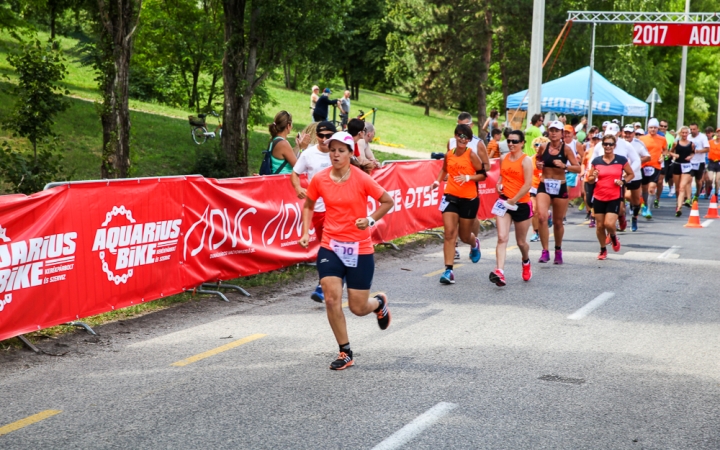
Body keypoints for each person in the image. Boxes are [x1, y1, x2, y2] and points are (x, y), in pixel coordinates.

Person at [299, 131, 394, 371]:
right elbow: (308, 204)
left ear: (351, 154)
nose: (336, 154)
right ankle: (345, 352)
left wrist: (370, 220)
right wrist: (305, 231)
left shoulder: (361, 178)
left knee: (358, 308)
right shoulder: (320, 179)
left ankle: (379, 303)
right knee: (331, 299)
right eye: (332, 150)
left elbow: (387, 201)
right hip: (331, 245)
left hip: (359, 248)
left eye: (341, 150)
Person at [432, 124, 486, 284]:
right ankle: (448, 270)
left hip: (469, 200)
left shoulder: (471, 155)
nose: (462, 139)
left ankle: (474, 242)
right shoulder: (449, 154)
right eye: (460, 135)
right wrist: (437, 181)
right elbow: (444, 169)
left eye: (466, 137)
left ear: (469, 140)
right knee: (449, 233)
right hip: (450, 197)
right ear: (455, 136)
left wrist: (468, 178)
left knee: (464, 236)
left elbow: (483, 175)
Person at [291, 121, 336, 303]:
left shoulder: (339, 153)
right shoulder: (309, 154)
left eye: (328, 136)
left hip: (336, 209)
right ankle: (336, 276)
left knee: (328, 247)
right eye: (321, 136)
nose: (324, 139)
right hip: (316, 209)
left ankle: (322, 285)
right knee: (327, 248)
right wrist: (297, 188)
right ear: (317, 135)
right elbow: (295, 173)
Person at [490, 130, 534, 286]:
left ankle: (526, 261)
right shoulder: (504, 158)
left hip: (521, 204)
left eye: (515, 141)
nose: (511, 144)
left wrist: (514, 200)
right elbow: (502, 176)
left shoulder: (526, 160)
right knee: (502, 237)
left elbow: (527, 184)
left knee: (521, 242)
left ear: (522, 143)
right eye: (509, 141)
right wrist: (498, 185)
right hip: (504, 202)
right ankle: (500, 272)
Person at [534, 120, 581, 264]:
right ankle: (545, 251)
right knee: (541, 216)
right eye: (551, 130)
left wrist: (564, 166)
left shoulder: (566, 149)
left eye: (556, 130)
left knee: (558, 222)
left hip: (560, 186)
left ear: (561, 134)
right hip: (544, 185)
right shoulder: (543, 147)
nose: (553, 133)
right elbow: (538, 160)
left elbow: (578, 168)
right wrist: (539, 164)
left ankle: (558, 250)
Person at [586, 134, 634, 260]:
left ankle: (613, 236)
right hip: (599, 197)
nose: (608, 146)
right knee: (600, 226)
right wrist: (593, 176)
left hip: (614, 197)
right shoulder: (596, 161)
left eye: (610, 144)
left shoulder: (621, 160)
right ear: (602, 145)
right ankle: (603, 249)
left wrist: (623, 181)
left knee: (609, 224)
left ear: (614, 146)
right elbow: (590, 180)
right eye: (605, 144)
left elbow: (630, 174)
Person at [621, 125, 651, 232]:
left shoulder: (638, 144)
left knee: (636, 200)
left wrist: (637, 162)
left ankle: (634, 217)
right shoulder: (619, 143)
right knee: (623, 197)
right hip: (621, 175)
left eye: (630, 133)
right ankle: (622, 217)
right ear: (622, 132)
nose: (627, 135)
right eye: (626, 132)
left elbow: (648, 156)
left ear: (633, 133)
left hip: (635, 175)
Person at [638, 118, 666, 219]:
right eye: (651, 127)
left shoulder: (662, 139)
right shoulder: (642, 139)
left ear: (658, 128)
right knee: (644, 188)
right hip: (644, 165)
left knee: (651, 189)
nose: (653, 129)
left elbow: (665, 151)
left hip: (656, 166)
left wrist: (663, 156)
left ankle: (649, 209)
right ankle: (645, 205)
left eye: (655, 127)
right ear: (648, 128)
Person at [669, 126, 696, 216]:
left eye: (686, 133)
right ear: (680, 133)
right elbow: (670, 152)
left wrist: (691, 156)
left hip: (687, 167)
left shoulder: (691, 144)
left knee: (682, 187)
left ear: (688, 133)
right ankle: (678, 202)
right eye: (683, 133)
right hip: (677, 165)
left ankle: (679, 208)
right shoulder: (676, 143)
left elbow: (693, 152)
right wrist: (674, 155)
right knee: (677, 188)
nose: (684, 134)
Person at [529, 136, 549, 241]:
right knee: (534, 210)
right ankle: (535, 232)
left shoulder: (549, 159)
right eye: (536, 145)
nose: (538, 147)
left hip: (546, 188)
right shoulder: (531, 159)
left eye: (541, 145)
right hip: (533, 187)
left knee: (542, 212)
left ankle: (548, 215)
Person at [268, 111, 297, 175]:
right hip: (283, 181)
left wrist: (298, 145)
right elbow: (298, 167)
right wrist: (302, 148)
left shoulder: (274, 140)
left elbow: (289, 157)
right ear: (288, 126)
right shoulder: (283, 144)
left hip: (276, 179)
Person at [688, 123, 710, 204]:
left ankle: (697, 194)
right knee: (688, 180)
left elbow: (707, 149)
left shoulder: (702, 137)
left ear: (698, 129)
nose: (692, 131)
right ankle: (688, 197)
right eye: (691, 129)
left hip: (699, 162)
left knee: (698, 181)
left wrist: (697, 151)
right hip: (689, 162)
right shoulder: (688, 137)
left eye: (694, 129)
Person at [584, 133, 602, 228]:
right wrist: (582, 172)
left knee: (596, 198)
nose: (595, 142)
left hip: (599, 178)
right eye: (594, 139)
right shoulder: (588, 151)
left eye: (597, 140)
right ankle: (592, 212)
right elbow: (584, 163)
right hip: (588, 177)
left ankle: (593, 217)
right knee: (588, 198)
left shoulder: (603, 151)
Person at [658, 120, 675, 199]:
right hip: (656, 159)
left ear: (667, 127)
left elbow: (672, 148)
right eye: (661, 126)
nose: (663, 128)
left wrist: (670, 154)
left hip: (666, 159)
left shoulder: (670, 137)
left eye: (665, 126)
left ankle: (671, 187)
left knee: (668, 175)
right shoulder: (655, 134)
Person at [706, 127, 720, 198]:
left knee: (717, 180)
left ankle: (716, 194)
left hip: (719, 163)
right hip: (711, 162)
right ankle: (709, 187)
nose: (719, 134)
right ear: (716, 133)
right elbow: (705, 148)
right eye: (718, 132)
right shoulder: (710, 142)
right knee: (710, 179)